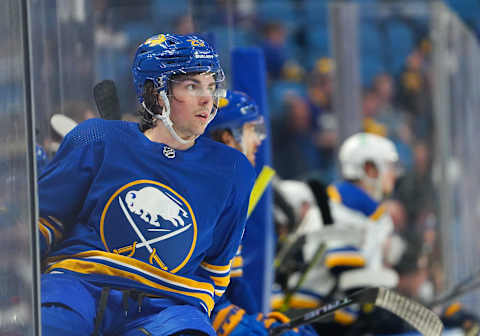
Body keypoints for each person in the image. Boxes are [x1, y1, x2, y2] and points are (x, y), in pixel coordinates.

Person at [38, 33, 256, 336]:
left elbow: (216, 268)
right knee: (52, 325)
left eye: (210, 86)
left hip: (167, 308)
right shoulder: (96, 139)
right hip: (79, 285)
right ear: (156, 94)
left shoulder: (233, 170)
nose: (207, 98)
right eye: (192, 86)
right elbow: (45, 220)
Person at [206, 90, 317, 336]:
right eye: (251, 130)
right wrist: (246, 327)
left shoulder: (226, 194)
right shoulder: (200, 196)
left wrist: (262, 323)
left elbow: (233, 289)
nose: (258, 140)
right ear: (227, 138)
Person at [278, 133, 401, 334]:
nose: (394, 174)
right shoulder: (334, 211)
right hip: (307, 325)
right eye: (389, 166)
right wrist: (382, 312)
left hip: (333, 324)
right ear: (369, 169)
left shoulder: (362, 215)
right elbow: (349, 275)